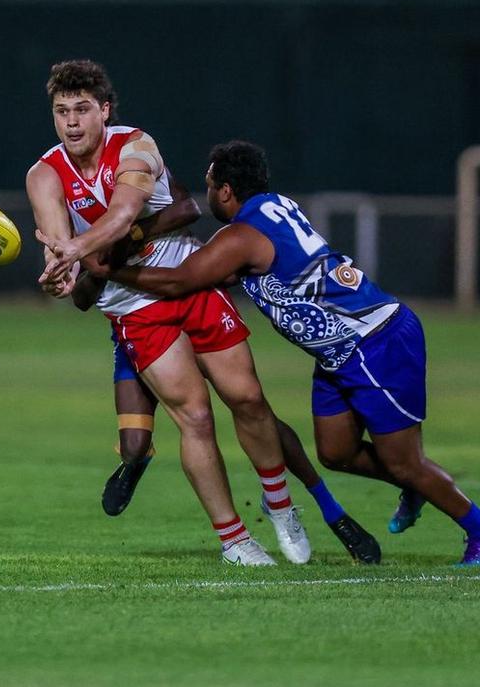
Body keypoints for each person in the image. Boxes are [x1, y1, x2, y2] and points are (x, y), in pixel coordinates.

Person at [73, 139, 480, 565]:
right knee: (336, 452)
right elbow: (261, 270)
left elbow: (180, 282)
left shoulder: (241, 236)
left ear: (226, 191)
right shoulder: (273, 207)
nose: (207, 192)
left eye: (211, 184)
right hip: (338, 353)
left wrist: (110, 270)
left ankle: (472, 527)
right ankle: (418, 485)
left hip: (374, 341)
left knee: (405, 461)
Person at [27, 59, 309, 566]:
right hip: (134, 309)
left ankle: (281, 504)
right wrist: (59, 275)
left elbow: (123, 215)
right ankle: (234, 540)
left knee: (247, 400)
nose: (71, 122)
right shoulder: (44, 175)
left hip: (189, 282)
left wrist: (76, 250)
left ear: (104, 111)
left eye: (82, 110)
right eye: (61, 111)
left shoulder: (137, 146)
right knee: (195, 417)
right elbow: (61, 255)